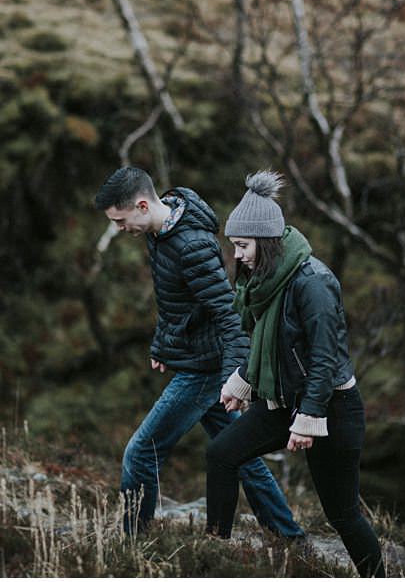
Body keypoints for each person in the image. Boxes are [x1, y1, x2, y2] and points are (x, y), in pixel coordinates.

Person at [93, 166, 303, 538]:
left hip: (207, 368)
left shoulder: (191, 246)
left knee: (141, 453)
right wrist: (163, 345)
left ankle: (132, 542)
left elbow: (227, 314)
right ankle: (290, 537)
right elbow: (177, 300)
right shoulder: (160, 229)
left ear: (142, 206)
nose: (120, 228)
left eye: (121, 220)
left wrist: (234, 380)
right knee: (241, 456)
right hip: (196, 356)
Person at [206, 170, 385, 577]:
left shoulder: (313, 283)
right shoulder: (265, 280)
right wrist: (244, 381)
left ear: (266, 242)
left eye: (243, 245)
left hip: (330, 409)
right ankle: (213, 557)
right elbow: (270, 346)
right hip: (283, 400)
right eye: (235, 245)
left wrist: (308, 420)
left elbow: (325, 360)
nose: (237, 255)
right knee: (221, 455)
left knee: (341, 514)